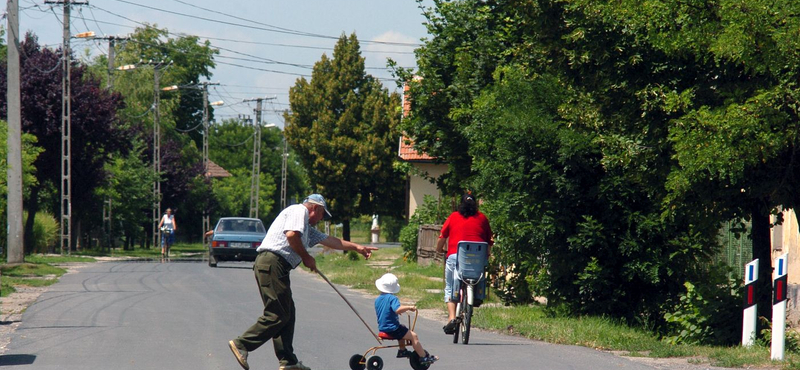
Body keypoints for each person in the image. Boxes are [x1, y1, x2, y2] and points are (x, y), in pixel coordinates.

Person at [229, 194, 378, 370]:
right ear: (316, 208)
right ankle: (243, 344)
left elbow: (331, 240)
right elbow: (291, 236)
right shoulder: (298, 211)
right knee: (277, 314)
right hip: (272, 263)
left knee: (288, 313)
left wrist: (358, 247)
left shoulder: (307, 228)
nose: (322, 219)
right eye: (323, 214)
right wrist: (306, 258)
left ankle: (288, 361)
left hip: (278, 267)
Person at [436, 192, 493, 334]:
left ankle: (451, 318)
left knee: (450, 285)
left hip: (456, 257)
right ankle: (477, 296)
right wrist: (487, 254)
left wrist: (439, 250)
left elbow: (442, 237)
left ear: (460, 204)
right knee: (479, 272)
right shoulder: (482, 218)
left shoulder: (453, 217)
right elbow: (489, 241)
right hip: (477, 259)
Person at [374, 273, 438, 365]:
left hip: (383, 328)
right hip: (392, 329)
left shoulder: (378, 299)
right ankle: (424, 357)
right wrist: (409, 307)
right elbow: (397, 309)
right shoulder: (392, 298)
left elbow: (386, 311)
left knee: (403, 328)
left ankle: (402, 350)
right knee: (413, 336)